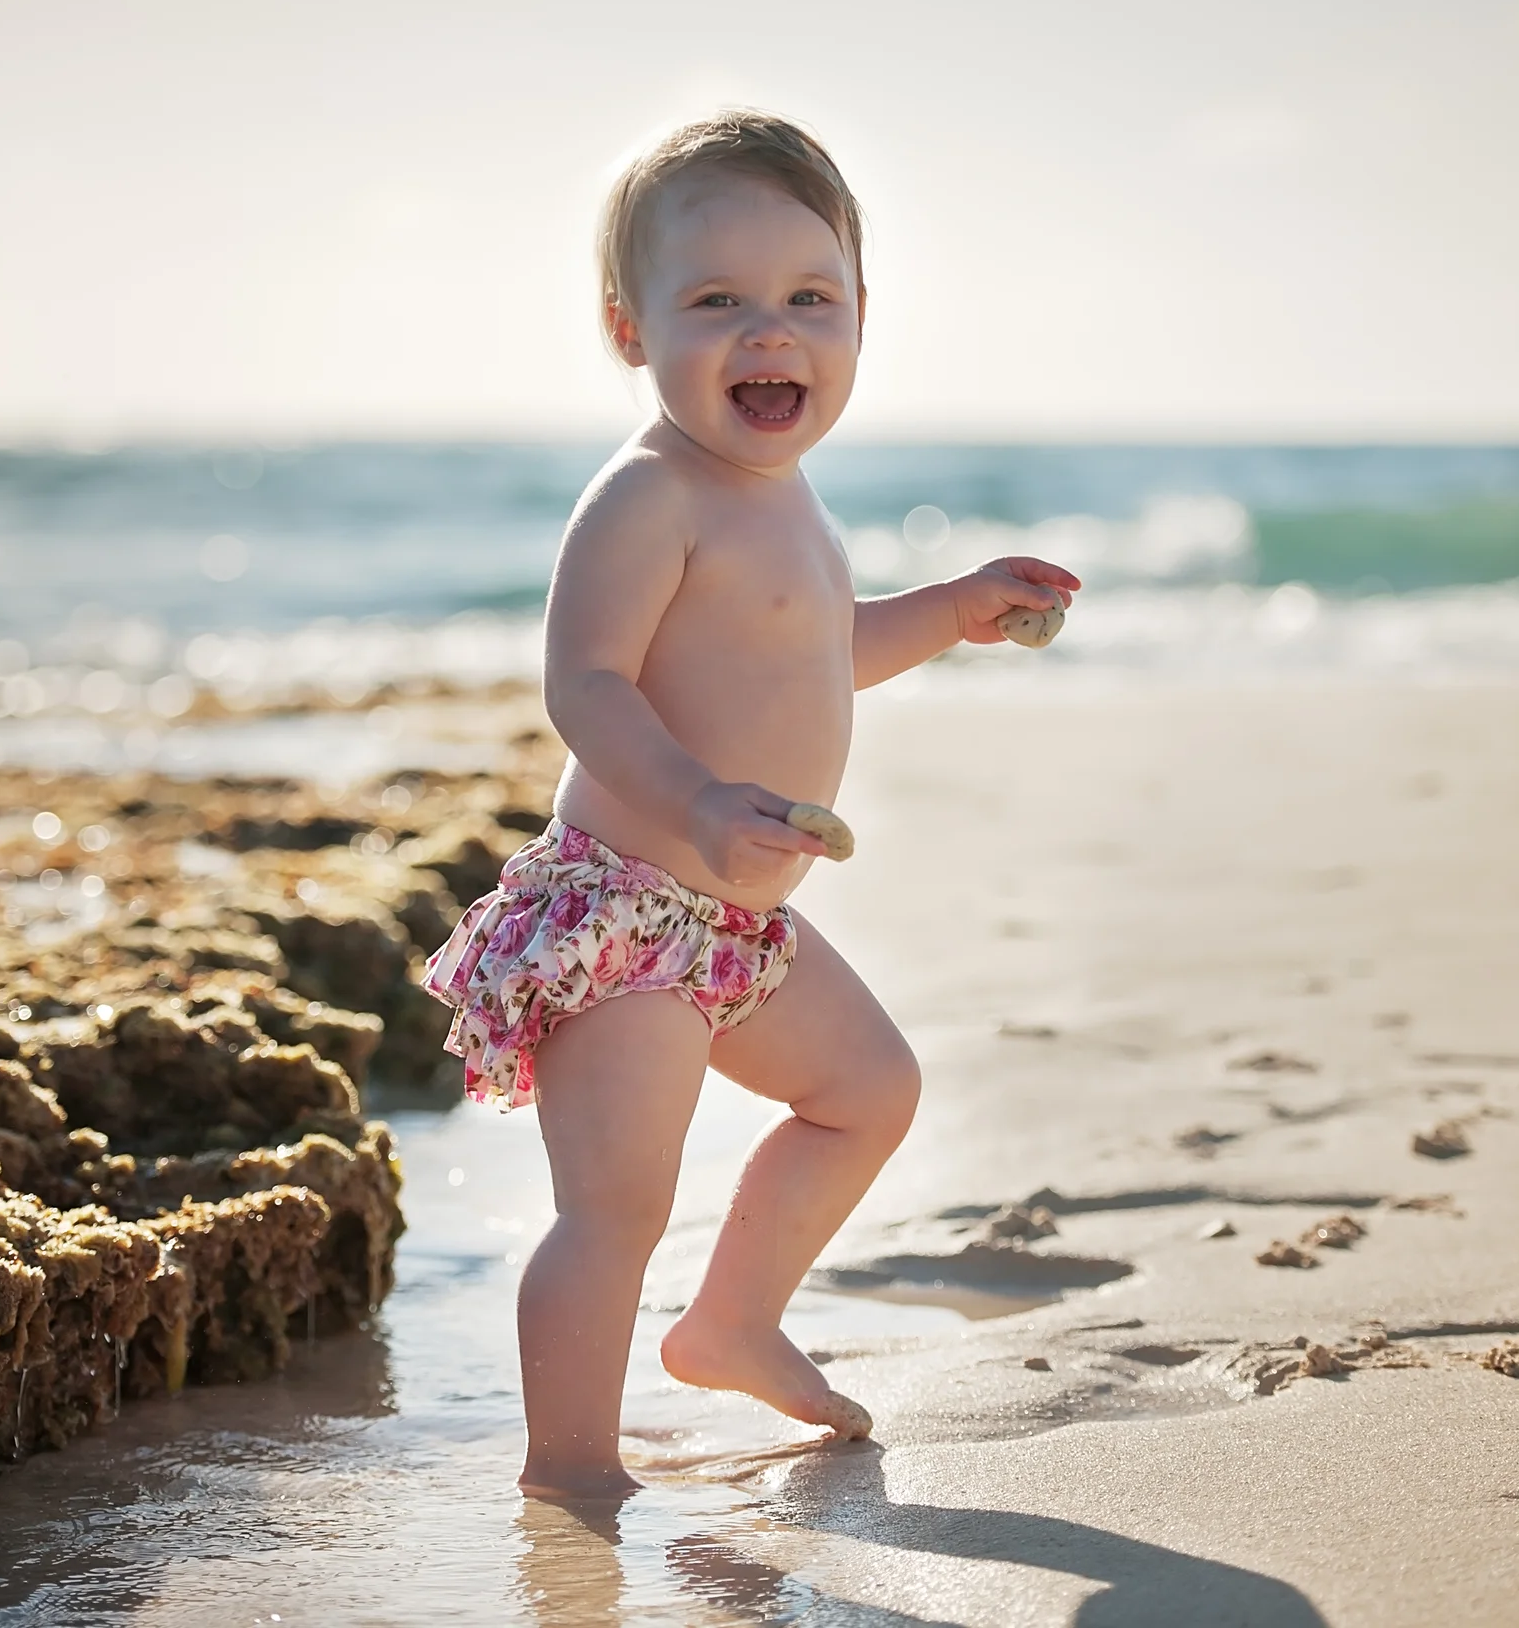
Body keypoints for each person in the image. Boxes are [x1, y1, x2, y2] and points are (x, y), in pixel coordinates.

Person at [424, 109, 1079, 1498]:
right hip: (625, 912)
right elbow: (588, 685)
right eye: (716, 301)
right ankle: (572, 1469)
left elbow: (818, 651)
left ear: (859, 321)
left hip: (731, 920)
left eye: (807, 299)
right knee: (615, 1206)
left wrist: (956, 611)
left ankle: (732, 1321)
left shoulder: (789, 497)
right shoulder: (648, 496)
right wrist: (701, 796)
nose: (768, 332)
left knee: (869, 1092)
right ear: (629, 330)